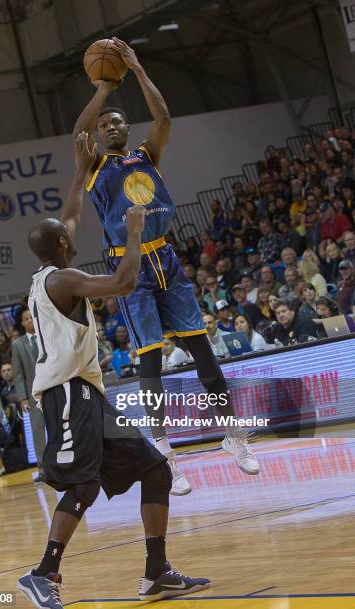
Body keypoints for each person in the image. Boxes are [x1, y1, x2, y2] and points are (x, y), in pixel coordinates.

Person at [19, 136, 211, 609]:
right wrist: (133, 232)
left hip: (89, 396)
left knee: (154, 469)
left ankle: (156, 572)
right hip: (67, 394)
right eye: (69, 236)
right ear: (63, 247)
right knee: (82, 483)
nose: (73, 233)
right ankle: (43, 574)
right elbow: (125, 282)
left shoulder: (50, 270)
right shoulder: (62, 279)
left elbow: (68, 217)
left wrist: (79, 171)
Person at [71, 38, 259, 491]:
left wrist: (135, 68)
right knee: (150, 365)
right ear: (98, 136)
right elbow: (77, 130)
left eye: (117, 122)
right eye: (105, 125)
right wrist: (101, 89)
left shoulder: (145, 154)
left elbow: (164, 117)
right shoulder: (94, 164)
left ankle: (233, 436)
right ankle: (164, 453)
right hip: (131, 267)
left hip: (167, 260)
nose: (112, 127)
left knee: (203, 354)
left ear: (127, 128)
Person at [12, 307, 46, 483]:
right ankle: (43, 469)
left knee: (60, 429)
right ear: (22, 323)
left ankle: (65, 464)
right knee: (38, 431)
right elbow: (18, 375)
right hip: (33, 395)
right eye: (25, 319)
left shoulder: (47, 336)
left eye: (31, 318)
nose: (29, 321)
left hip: (53, 390)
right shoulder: (17, 344)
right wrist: (22, 398)